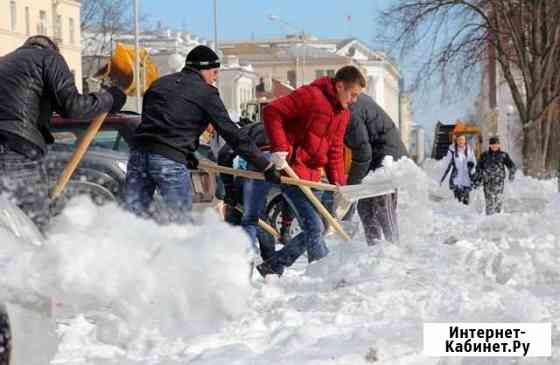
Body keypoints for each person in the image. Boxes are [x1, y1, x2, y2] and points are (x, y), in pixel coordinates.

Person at [125, 45, 281, 223]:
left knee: (134, 218)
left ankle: (128, 249)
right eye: (215, 72)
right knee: (180, 223)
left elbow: (157, 122)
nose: (215, 79)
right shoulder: (206, 93)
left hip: (138, 155)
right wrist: (266, 166)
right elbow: (232, 134)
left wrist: (187, 152)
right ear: (204, 69)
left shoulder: (159, 84)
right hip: (168, 161)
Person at [242, 65, 366, 278]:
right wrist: (280, 148)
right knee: (313, 226)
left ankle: (274, 266)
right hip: (288, 168)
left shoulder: (343, 113)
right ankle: (322, 274)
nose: (354, 100)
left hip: (309, 174)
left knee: (318, 226)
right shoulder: (310, 96)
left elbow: (335, 149)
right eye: (353, 94)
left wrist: (339, 184)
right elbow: (272, 111)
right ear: (340, 85)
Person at [0, 35, 126, 232]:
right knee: (31, 227)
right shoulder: (48, 58)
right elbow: (73, 106)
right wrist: (110, 98)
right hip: (17, 151)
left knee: (6, 230)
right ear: (54, 49)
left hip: (11, 146)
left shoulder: (5, 62)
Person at [342, 94, 408, 245]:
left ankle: (394, 249)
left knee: (382, 206)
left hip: (386, 159)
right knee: (365, 207)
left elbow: (362, 152)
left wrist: (352, 187)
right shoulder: (352, 101)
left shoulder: (351, 108)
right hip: (375, 158)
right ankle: (375, 250)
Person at [472, 136, 517, 215]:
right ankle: (489, 219)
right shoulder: (484, 155)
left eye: (496, 144)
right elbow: (478, 168)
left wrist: (512, 173)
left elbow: (512, 166)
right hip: (487, 182)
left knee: (498, 201)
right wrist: (477, 179)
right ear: (490, 145)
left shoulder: (503, 155)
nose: (494, 146)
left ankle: (498, 217)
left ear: (499, 145)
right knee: (489, 202)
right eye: (492, 144)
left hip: (499, 182)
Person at [440, 134, 477, 205]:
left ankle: (465, 215)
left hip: (467, 180)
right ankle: (457, 214)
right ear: (456, 141)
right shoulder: (452, 151)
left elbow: (474, 163)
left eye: (462, 140)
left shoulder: (469, 150)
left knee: (466, 202)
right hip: (456, 180)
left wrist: (472, 170)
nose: (461, 141)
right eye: (459, 140)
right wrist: (441, 179)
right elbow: (446, 165)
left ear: (465, 141)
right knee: (458, 202)